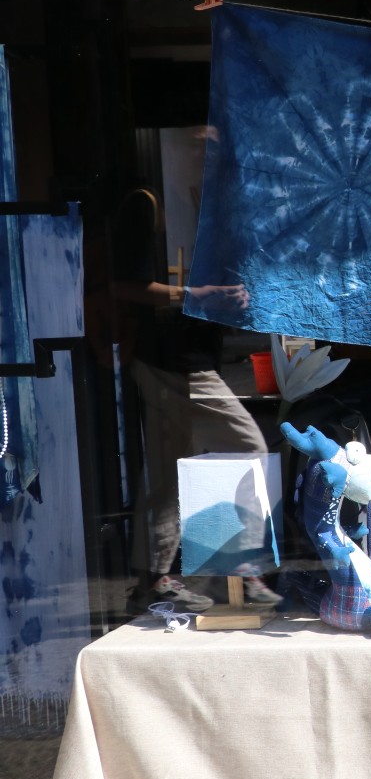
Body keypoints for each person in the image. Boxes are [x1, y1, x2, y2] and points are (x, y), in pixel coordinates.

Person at [112, 186, 279, 612]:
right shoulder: (151, 201)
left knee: (168, 471)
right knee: (245, 448)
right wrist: (198, 295)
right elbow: (125, 286)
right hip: (174, 360)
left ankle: (154, 580)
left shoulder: (208, 211)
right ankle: (230, 569)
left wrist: (230, 299)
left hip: (177, 357)